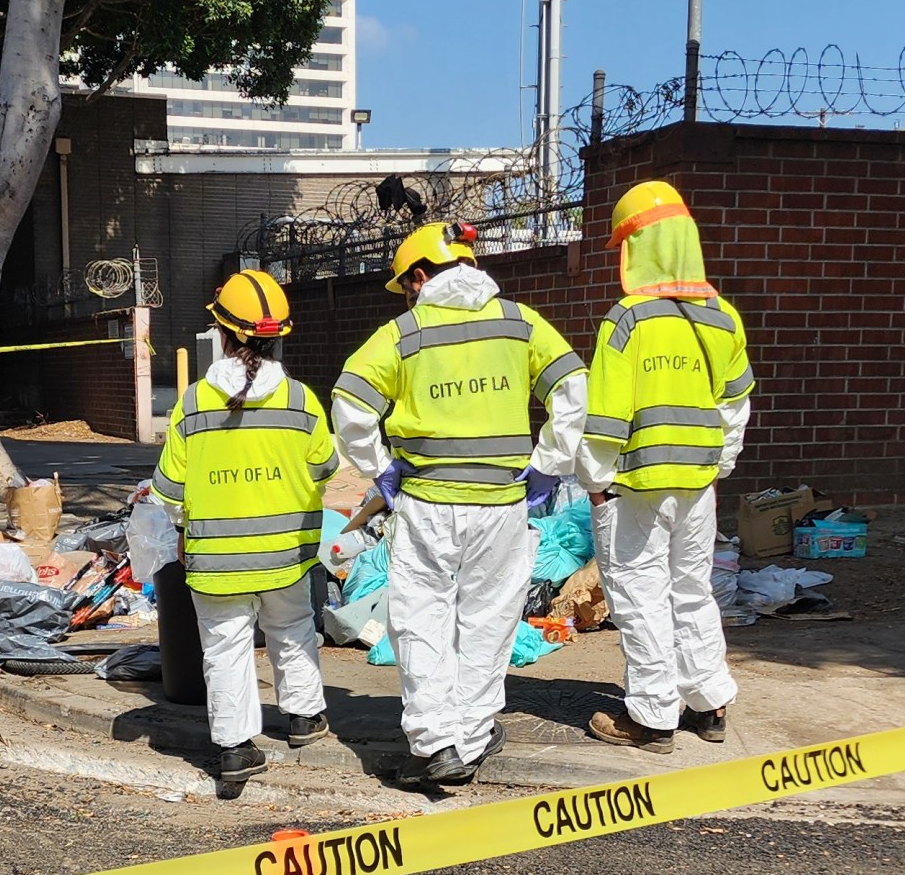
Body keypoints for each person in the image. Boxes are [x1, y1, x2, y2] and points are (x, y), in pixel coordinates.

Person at [331, 222, 585, 786]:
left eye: (406, 286)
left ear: (420, 276)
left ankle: (435, 744)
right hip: (501, 504)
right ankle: (471, 736)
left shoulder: (403, 333)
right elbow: (573, 392)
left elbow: (348, 403)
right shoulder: (521, 324)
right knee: (488, 621)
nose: (406, 296)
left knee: (422, 619)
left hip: (426, 502)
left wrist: (380, 467)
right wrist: (548, 462)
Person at [578, 181, 756, 753]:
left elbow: (604, 416)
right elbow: (735, 406)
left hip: (636, 486)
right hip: (697, 484)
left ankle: (652, 718)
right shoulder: (722, 316)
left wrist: (595, 483)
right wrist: (717, 468)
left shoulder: (627, 320)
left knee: (639, 593)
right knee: (691, 590)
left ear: (639, 248)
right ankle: (710, 704)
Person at [150, 271, 337, 788]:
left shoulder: (190, 404)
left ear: (222, 333)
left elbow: (167, 491)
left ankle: (234, 750)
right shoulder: (300, 400)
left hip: (215, 564)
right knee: (293, 630)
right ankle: (303, 718)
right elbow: (325, 468)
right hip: (286, 557)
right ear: (278, 337)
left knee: (225, 648)